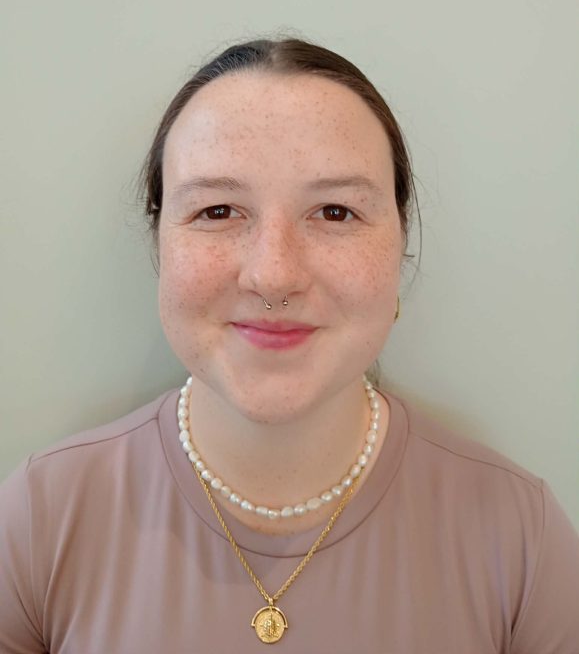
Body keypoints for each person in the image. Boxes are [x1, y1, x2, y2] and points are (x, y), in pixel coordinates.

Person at [0, 38, 578, 654]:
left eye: (335, 212)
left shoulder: (521, 537)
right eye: (217, 210)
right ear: (158, 243)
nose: (273, 275)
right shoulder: (42, 516)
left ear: (400, 246)